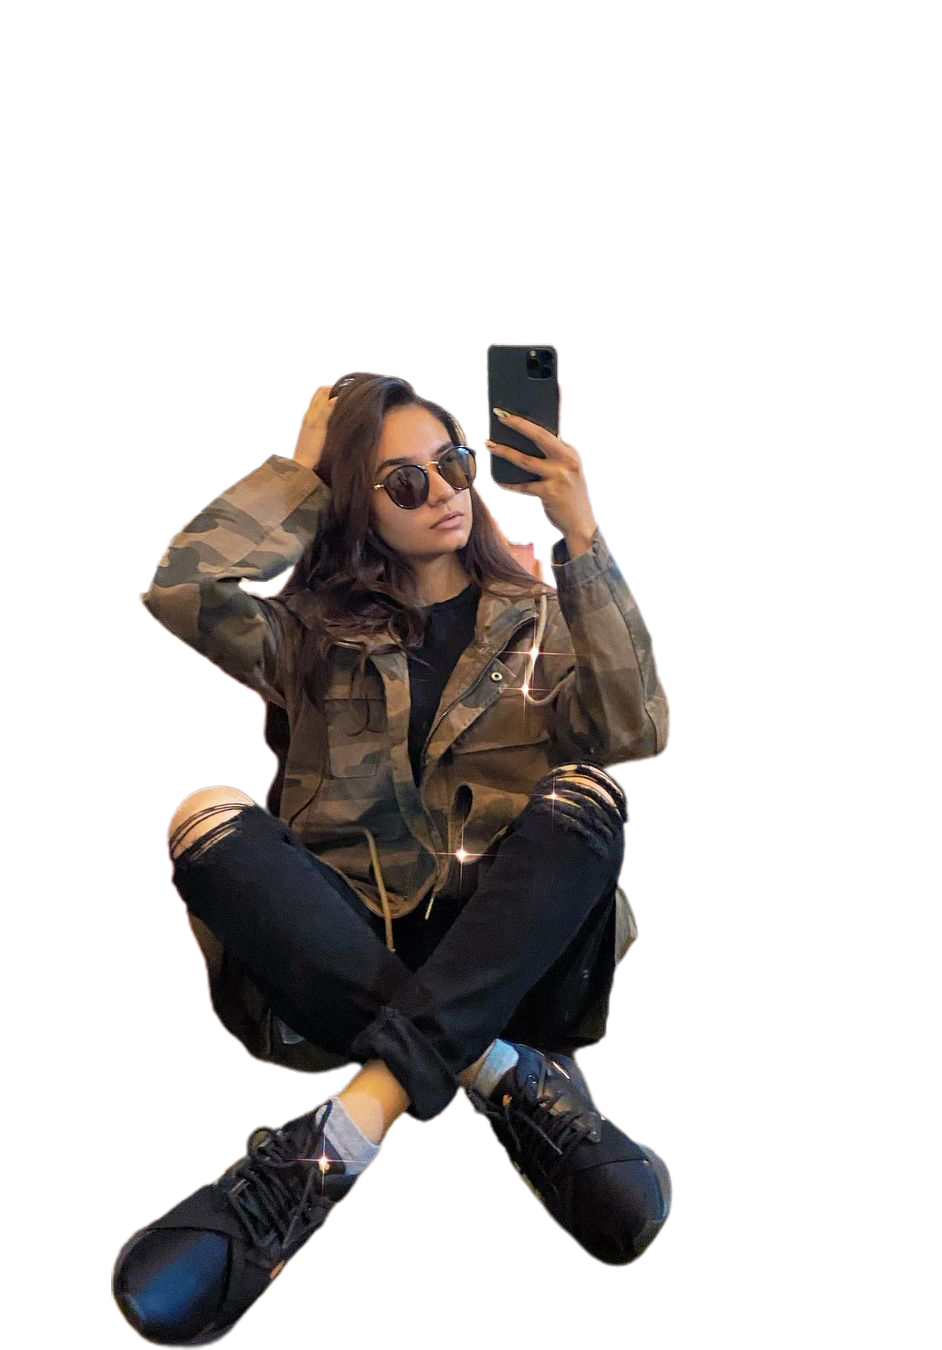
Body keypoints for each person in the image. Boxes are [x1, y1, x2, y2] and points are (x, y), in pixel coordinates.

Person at [112, 370, 672, 1345]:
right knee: (207, 818)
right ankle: (501, 1080)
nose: (445, 490)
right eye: (405, 481)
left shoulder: (541, 618)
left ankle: (342, 1133)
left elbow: (636, 725)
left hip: (516, 970)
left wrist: (582, 533)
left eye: (452, 464)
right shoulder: (306, 634)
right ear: (354, 504)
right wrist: (299, 473)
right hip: (347, 965)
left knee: (587, 797)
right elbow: (183, 587)